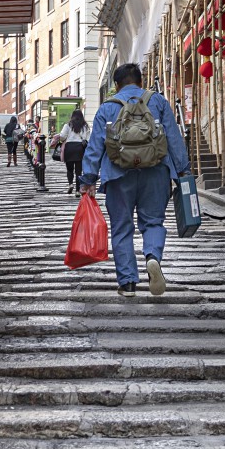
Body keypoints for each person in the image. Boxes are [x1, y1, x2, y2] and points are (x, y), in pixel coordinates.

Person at [80, 63, 190, 297]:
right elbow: (173, 137)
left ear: (116, 85)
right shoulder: (158, 101)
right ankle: (152, 256)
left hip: (118, 174)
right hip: (156, 172)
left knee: (121, 227)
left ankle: (128, 283)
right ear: (141, 82)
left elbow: (95, 146)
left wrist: (88, 179)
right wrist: (182, 170)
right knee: (153, 222)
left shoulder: (107, 107)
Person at [53, 109, 90, 194]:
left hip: (69, 148)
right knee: (78, 171)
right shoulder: (85, 126)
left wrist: (62, 138)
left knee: (69, 169)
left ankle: (70, 184)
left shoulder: (68, 125)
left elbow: (62, 136)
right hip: (80, 148)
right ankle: (77, 191)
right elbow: (88, 139)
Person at [25, 121, 49, 192]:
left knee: (38, 160)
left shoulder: (35, 137)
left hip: (36, 149)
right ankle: (41, 183)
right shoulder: (34, 136)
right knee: (37, 159)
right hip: (35, 149)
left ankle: (41, 183)